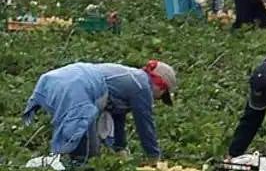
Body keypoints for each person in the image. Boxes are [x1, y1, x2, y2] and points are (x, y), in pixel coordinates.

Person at [22, 61, 177, 164]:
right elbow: (145, 125)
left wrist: (120, 147)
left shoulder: (132, 78)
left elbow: (118, 116)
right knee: (87, 152)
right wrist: (154, 157)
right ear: (160, 86)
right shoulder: (142, 87)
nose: (157, 99)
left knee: (84, 144)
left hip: (60, 78)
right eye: (162, 95)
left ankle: (64, 166)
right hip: (78, 86)